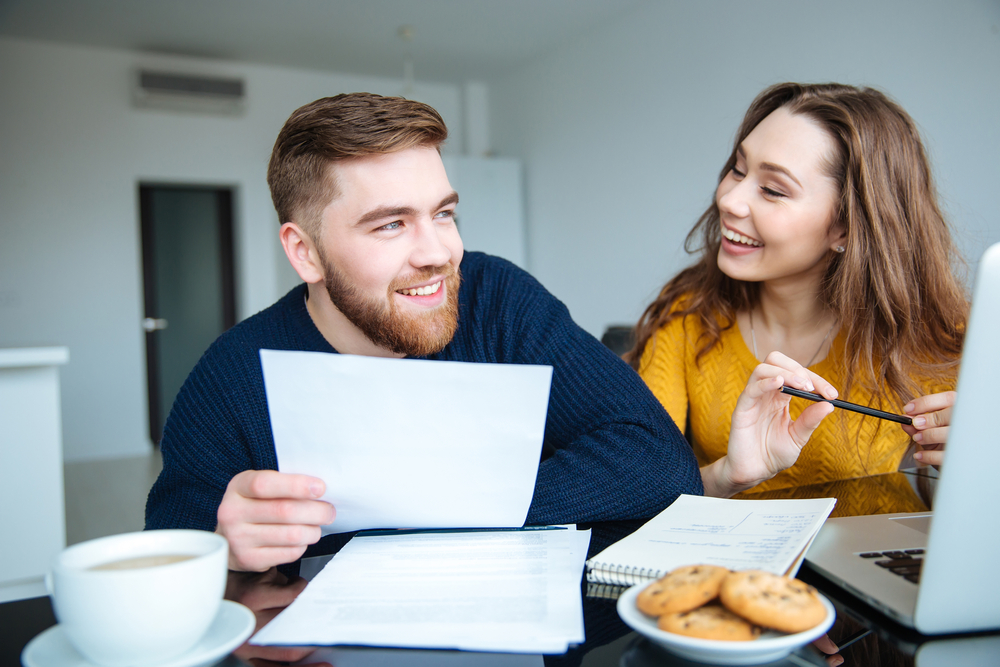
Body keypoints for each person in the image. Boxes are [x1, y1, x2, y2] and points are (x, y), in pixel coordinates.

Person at [145, 92, 706, 572]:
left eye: (443, 213)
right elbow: (167, 563)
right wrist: (223, 551)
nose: (441, 253)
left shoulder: (497, 299)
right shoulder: (231, 377)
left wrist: (440, 505)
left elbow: (657, 458)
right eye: (391, 224)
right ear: (304, 252)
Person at [626, 83, 966, 500]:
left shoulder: (936, 338)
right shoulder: (688, 317)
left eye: (772, 190)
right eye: (738, 168)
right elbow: (634, 490)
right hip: (732, 565)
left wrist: (976, 465)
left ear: (845, 227)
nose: (730, 199)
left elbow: (950, 516)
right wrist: (727, 476)